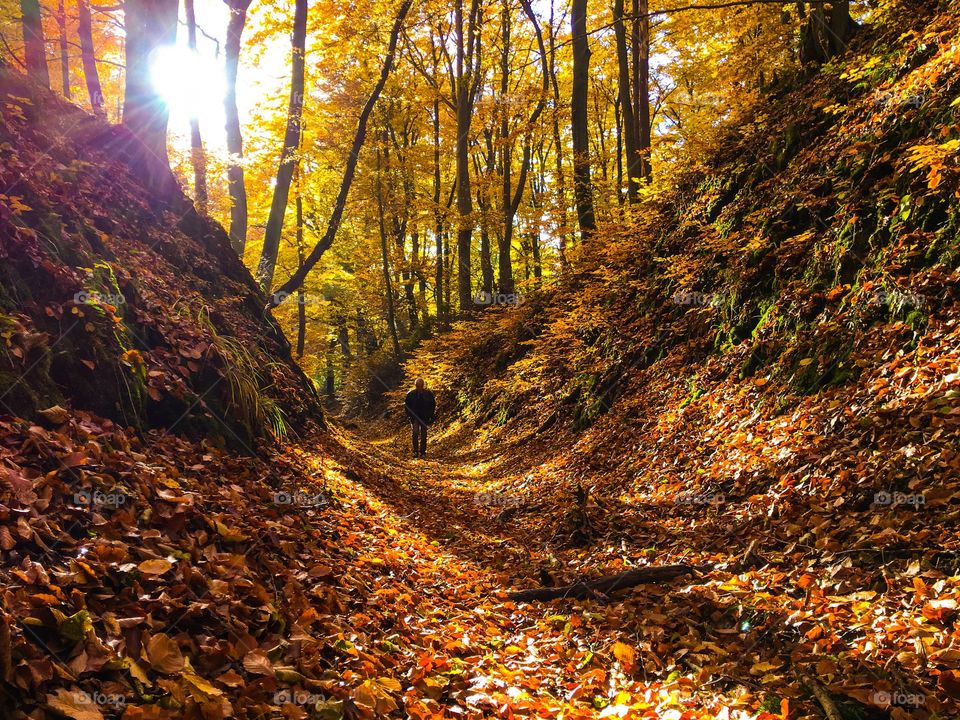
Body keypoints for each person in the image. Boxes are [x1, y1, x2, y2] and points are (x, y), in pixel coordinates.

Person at [404, 378, 436, 458]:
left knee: (423, 435)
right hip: (415, 417)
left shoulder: (428, 394)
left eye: (421, 385)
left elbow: (433, 405)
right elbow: (407, 406)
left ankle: (422, 452)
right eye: (418, 386)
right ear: (416, 386)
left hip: (424, 417)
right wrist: (410, 416)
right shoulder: (411, 394)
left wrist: (430, 415)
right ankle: (415, 451)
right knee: (415, 433)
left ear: (423, 385)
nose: (420, 387)